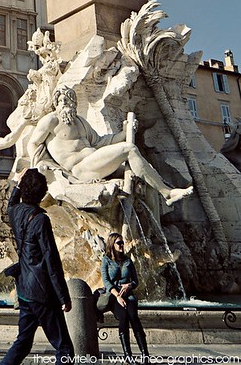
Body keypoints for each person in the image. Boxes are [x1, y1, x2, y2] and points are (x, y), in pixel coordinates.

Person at [29, 86, 193, 206]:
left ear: (74, 103)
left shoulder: (80, 122)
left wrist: (124, 132)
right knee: (129, 149)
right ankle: (167, 193)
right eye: (60, 100)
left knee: (142, 173)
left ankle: (162, 203)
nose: (64, 103)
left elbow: (100, 142)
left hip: (94, 162)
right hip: (80, 169)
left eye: (68, 100)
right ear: (55, 104)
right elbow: (34, 143)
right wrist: (39, 165)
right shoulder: (51, 120)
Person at [0, 168, 74, 365]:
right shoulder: (41, 220)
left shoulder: (15, 212)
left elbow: (11, 203)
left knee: (23, 343)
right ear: (42, 193)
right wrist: (63, 296)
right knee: (64, 348)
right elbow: (51, 260)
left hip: (24, 290)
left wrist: (17, 182)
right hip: (42, 292)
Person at [101, 232, 149, 363]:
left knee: (134, 317)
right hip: (113, 296)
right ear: (112, 244)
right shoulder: (106, 260)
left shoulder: (128, 261)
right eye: (119, 243)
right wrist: (117, 296)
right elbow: (106, 281)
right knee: (123, 317)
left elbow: (136, 281)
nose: (122, 245)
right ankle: (128, 355)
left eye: (122, 242)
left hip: (129, 296)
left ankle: (145, 355)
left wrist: (129, 285)